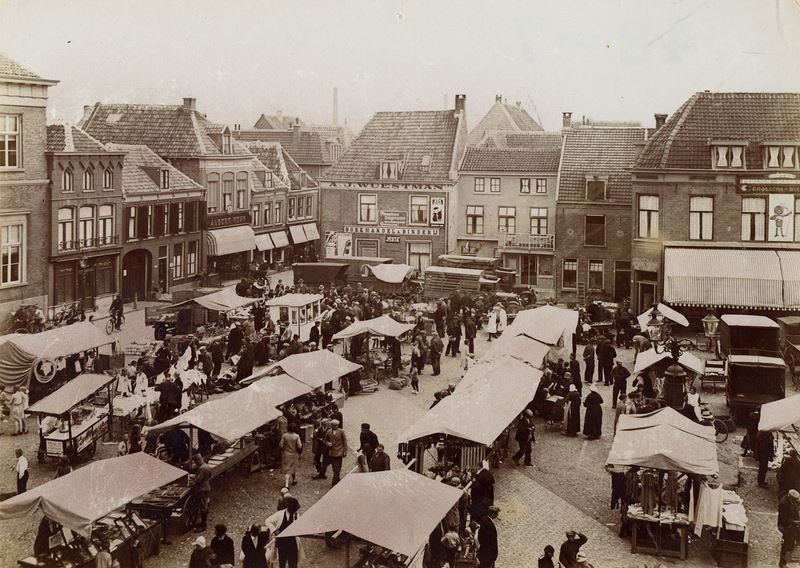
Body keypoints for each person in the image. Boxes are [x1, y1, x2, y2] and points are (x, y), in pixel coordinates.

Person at [275, 498, 301, 568]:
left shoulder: (296, 515)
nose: (296, 510)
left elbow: (300, 525)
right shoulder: (280, 514)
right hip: (282, 542)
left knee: (293, 563)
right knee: (282, 562)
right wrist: (274, 530)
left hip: (292, 542)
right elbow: (267, 521)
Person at [778, 490, 800, 567]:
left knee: (795, 543)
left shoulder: (793, 500)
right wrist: (794, 522)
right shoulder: (783, 503)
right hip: (786, 526)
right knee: (787, 545)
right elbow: (783, 519)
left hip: (794, 524)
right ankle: (783, 562)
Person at [192, 454, 212, 532]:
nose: (195, 463)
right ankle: (203, 523)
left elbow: (198, 480)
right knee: (205, 504)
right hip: (207, 487)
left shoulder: (201, 468)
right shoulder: (206, 466)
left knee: (203, 506)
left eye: (195, 462)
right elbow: (210, 475)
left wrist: (193, 479)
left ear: (198, 460)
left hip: (202, 489)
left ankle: (203, 525)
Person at [325, 419, 347, 486]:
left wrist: (345, 451)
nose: (335, 426)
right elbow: (325, 440)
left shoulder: (341, 432)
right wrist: (327, 443)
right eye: (334, 425)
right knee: (334, 467)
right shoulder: (328, 432)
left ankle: (334, 482)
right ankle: (337, 479)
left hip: (339, 451)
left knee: (338, 467)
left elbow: (345, 442)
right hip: (332, 452)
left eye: (337, 425)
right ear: (331, 425)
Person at [280, 423, 303, 488]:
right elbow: (299, 446)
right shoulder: (296, 436)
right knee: (293, 467)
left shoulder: (284, 435)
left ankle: (286, 484)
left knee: (287, 469)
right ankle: (293, 480)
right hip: (294, 454)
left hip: (286, 453)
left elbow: (281, 445)